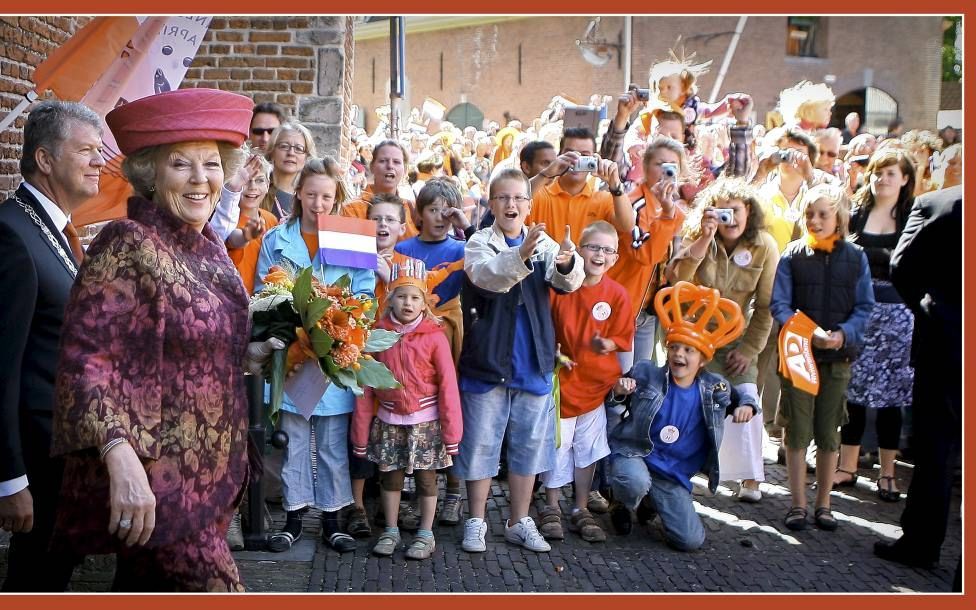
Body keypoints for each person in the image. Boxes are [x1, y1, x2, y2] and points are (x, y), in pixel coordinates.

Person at [48, 88, 275, 591]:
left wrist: (251, 353)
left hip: (212, 479)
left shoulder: (209, 243)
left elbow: (189, 345)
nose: (201, 180)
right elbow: (86, 362)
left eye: (212, 164)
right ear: (151, 173)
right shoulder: (127, 243)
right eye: (181, 164)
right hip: (161, 486)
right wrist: (119, 457)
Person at [0, 100, 104, 591]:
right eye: (85, 150)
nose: (99, 161)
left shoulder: (54, 229)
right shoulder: (12, 234)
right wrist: (9, 478)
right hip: (36, 463)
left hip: (65, 454)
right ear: (45, 159)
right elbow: (3, 368)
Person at [454, 168, 583, 554]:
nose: (511, 204)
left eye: (518, 198)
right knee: (480, 442)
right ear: (491, 204)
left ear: (529, 205)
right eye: (503, 198)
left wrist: (564, 261)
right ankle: (475, 520)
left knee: (529, 444)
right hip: (488, 358)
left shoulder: (543, 244)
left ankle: (518, 520)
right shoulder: (478, 242)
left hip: (533, 358)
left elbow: (567, 283)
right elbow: (486, 278)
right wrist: (520, 253)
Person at [255, 157, 375, 554]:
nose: (318, 203)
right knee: (292, 441)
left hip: (332, 355)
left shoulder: (351, 238)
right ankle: (293, 518)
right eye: (311, 194)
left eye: (326, 196)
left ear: (337, 196)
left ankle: (331, 519)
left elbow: (365, 294)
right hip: (292, 353)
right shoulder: (277, 238)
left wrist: (337, 317)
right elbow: (263, 293)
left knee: (330, 444)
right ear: (299, 195)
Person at [606, 281, 754, 549]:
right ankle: (622, 501)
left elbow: (740, 398)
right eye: (674, 347)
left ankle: (651, 502)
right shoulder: (646, 373)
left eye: (688, 350)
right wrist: (619, 389)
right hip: (637, 455)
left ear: (703, 360)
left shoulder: (714, 387)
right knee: (634, 481)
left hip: (672, 474)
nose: (679, 354)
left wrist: (747, 406)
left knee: (690, 541)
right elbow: (613, 397)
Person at [769, 184, 874, 532]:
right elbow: (780, 305)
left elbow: (864, 307)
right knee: (797, 430)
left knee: (830, 432)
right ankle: (797, 503)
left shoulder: (856, 257)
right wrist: (807, 331)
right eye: (810, 213)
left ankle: (824, 503)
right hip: (799, 355)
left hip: (838, 357)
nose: (815, 220)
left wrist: (844, 333)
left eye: (823, 214)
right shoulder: (792, 254)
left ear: (839, 217)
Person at [667, 179, 778, 503]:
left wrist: (748, 350)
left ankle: (750, 479)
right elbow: (677, 280)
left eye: (736, 210)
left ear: (749, 213)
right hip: (694, 336)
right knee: (690, 403)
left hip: (736, 337)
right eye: (722, 210)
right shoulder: (699, 235)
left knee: (746, 398)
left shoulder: (764, 245)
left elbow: (766, 304)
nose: (729, 217)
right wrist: (704, 237)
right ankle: (679, 467)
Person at [874, 185, 961, 579]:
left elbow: (902, 267)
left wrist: (929, 310)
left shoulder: (937, 203)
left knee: (935, 450)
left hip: (944, 341)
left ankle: (922, 544)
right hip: (944, 341)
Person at [350, 261, 462, 560]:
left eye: (414, 298)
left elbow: (448, 385)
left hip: (426, 421)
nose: (407, 303)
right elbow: (365, 385)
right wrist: (360, 435)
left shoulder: (434, 336)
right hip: (389, 419)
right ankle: (390, 529)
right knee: (391, 477)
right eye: (401, 296)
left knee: (427, 479)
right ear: (390, 299)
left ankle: (426, 533)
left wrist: (452, 434)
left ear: (425, 303)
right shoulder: (377, 335)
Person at [539, 221, 634, 543]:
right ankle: (551, 506)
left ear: (615, 258)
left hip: (596, 388)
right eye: (594, 247)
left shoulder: (618, 294)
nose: (600, 254)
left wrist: (607, 347)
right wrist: (553, 353)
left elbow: (622, 339)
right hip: (562, 386)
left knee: (588, 451)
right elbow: (545, 330)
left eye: (608, 250)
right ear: (580, 250)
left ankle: (580, 508)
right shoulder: (562, 289)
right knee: (558, 447)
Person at [832, 150, 915, 500]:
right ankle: (847, 466)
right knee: (854, 392)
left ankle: (888, 473)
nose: (882, 179)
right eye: (878, 173)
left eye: (891, 173)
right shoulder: (857, 214)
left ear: (905, 179)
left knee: (891, 398)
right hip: (861, 312)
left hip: (899, 316)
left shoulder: (913, 215)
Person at [610, 136, 687, 373]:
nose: (665, 170)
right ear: (644, 167)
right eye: (659, 164)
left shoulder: (673, 208)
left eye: (672, 165)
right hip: (622, 309)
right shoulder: (633, 204)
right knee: (619, 383)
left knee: (640, 379)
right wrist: (666, 216)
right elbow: (644, 254)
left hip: (648, 311)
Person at [528, 127, 635, 245]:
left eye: (584, 155)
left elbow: (627, 226)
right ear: (559, 155)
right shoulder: (539, 194)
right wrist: (546, 174)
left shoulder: (603, 201)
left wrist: (615, 185)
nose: (576, 161)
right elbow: (515, 200)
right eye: (570, 154)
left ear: (594, 159)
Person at [342, 139, 420, 240]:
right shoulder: (351, 209)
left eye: (396, 162)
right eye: (383, 161)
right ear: (372, 166)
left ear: (405, 170)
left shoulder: (413, 209)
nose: (390, 166)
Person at [224, 153, 278, 294]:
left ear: (267, 185)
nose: (252, 186)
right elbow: (233, 239)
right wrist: (245, 236)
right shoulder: (226, 218)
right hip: (234, 299)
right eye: (246, 180)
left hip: (264, 300)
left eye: (259, 180)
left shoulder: (271, 219)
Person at [260, 121, 318, 219]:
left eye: (299, 149)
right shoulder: (257, 190)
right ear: (272, 151)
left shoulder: (313, 197)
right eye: (284, 146)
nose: (291, 153)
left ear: (306, 156)